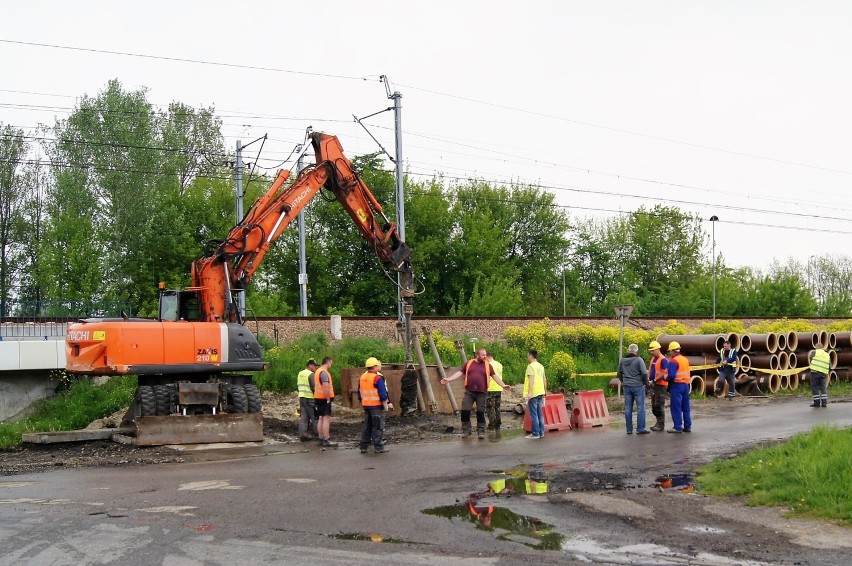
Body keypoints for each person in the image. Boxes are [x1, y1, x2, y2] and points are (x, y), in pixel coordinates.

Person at [441, 348, 511, 439]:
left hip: (481, 393)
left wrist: (503, 385)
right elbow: (460, 373)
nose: (485, 356)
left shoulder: (488, 365)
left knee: (480, 412)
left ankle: (481, 432)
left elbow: (495, 376)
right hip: (469, 392)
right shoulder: (469, 363)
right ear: (477, 355)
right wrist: (449, 379)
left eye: (485, 355)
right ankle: (466, 431)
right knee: (465, 411)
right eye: (483, 355)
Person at [358, 357, 393, 453]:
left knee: (367, 426)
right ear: (374, 367)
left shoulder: (362, 377)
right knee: (377, 426)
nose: (379, 366)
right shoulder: (377, 378)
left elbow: (359, 392)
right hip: (376, 406)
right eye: (378, 365)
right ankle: (378, 446)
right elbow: (383, 393)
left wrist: (363, 402)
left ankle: (364, 446)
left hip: (366, 405)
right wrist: (386, 405)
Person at [617, 343, 650, 435]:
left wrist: (623, 381)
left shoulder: (623, 360)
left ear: (629, 350)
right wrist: (645, 383)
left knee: (628, 408)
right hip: (638, 386)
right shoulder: (639, 360)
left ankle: (629, 429)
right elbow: (644, 373)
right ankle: (640, 429)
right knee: (640, 408)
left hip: (627, 387)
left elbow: (619, 373)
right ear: (636, 350)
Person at [665, 341, 692, 433]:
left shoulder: (674, 361)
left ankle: (677, 427)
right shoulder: (685, 359)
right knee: (686, 407)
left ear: (673, 351)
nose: (670, 353)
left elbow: (671, 376)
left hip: (676, 386)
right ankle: (687, 426)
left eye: (670, 351)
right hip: (685, 385)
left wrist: (665, 378)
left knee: (676, 407)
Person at [313, 356, 338, 447]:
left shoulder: (317, 371)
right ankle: (326, 439)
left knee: (320, 418)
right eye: (331, 363)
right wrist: (328, 398)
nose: (331, 364)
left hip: (318, 398)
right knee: (326, 419)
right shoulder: (324, 372)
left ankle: (320, 438)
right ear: (328, 362)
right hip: (324, 398)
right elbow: (325, 386)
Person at [523, 349, 547, 439]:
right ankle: (541, 432)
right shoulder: (541, 366)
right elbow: (544, 380)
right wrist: (545, 391)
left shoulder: (530, 366)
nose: (527, 357)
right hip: (541, 392)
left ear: (530, 355)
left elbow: (531, 381)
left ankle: (535, 433)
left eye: (527, 355)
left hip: (534, 393)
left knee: (534, 414)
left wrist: (529, 393)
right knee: (540, 413)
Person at [647, 341, 669, 432]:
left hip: (661, 386)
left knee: (659, 405)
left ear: (658, 349)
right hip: (653, 385)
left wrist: (655, 380)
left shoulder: (663, 359)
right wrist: (649, 380)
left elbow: (665, 373)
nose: (651, 352)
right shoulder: (653, 359)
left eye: (653, 350)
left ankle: (660, 425)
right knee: (654, 406)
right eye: (650, 351)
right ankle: (658, 423)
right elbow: (650, 370)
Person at [296, 358, 318, 441]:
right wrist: (317, 399)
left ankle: (302, 434)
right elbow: (314, 388)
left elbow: (298, 386)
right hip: (310, 398)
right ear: (310, 365)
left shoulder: (300, 373)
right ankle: (319, 434)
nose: (315, 368)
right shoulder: (311, 374)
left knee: (304, 417)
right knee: (315, 417)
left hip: (302, 397)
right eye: (315, 366)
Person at [485, 354, 506, 431]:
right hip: (499, 387)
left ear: (488, 357)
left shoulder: (488, 364)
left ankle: (492, 424)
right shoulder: (499, 364)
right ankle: (498, 421)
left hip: (490, 388)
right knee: (497, 406)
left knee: (490, 407)